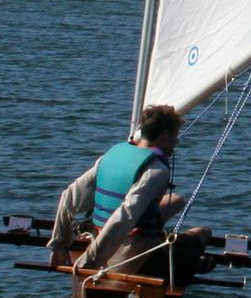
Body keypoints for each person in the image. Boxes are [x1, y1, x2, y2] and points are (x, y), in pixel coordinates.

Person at [49, 104, 206, 285]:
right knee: (202, 234)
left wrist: (59, 244)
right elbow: (124, 217)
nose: (176, 142)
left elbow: (68, 197)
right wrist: (89, 262)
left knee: (177, 200)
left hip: (99, 235)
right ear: (163, 136)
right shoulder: (156, 170)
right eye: (174, 136)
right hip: (128, 256)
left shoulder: (111, 155)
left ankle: (157, 238)